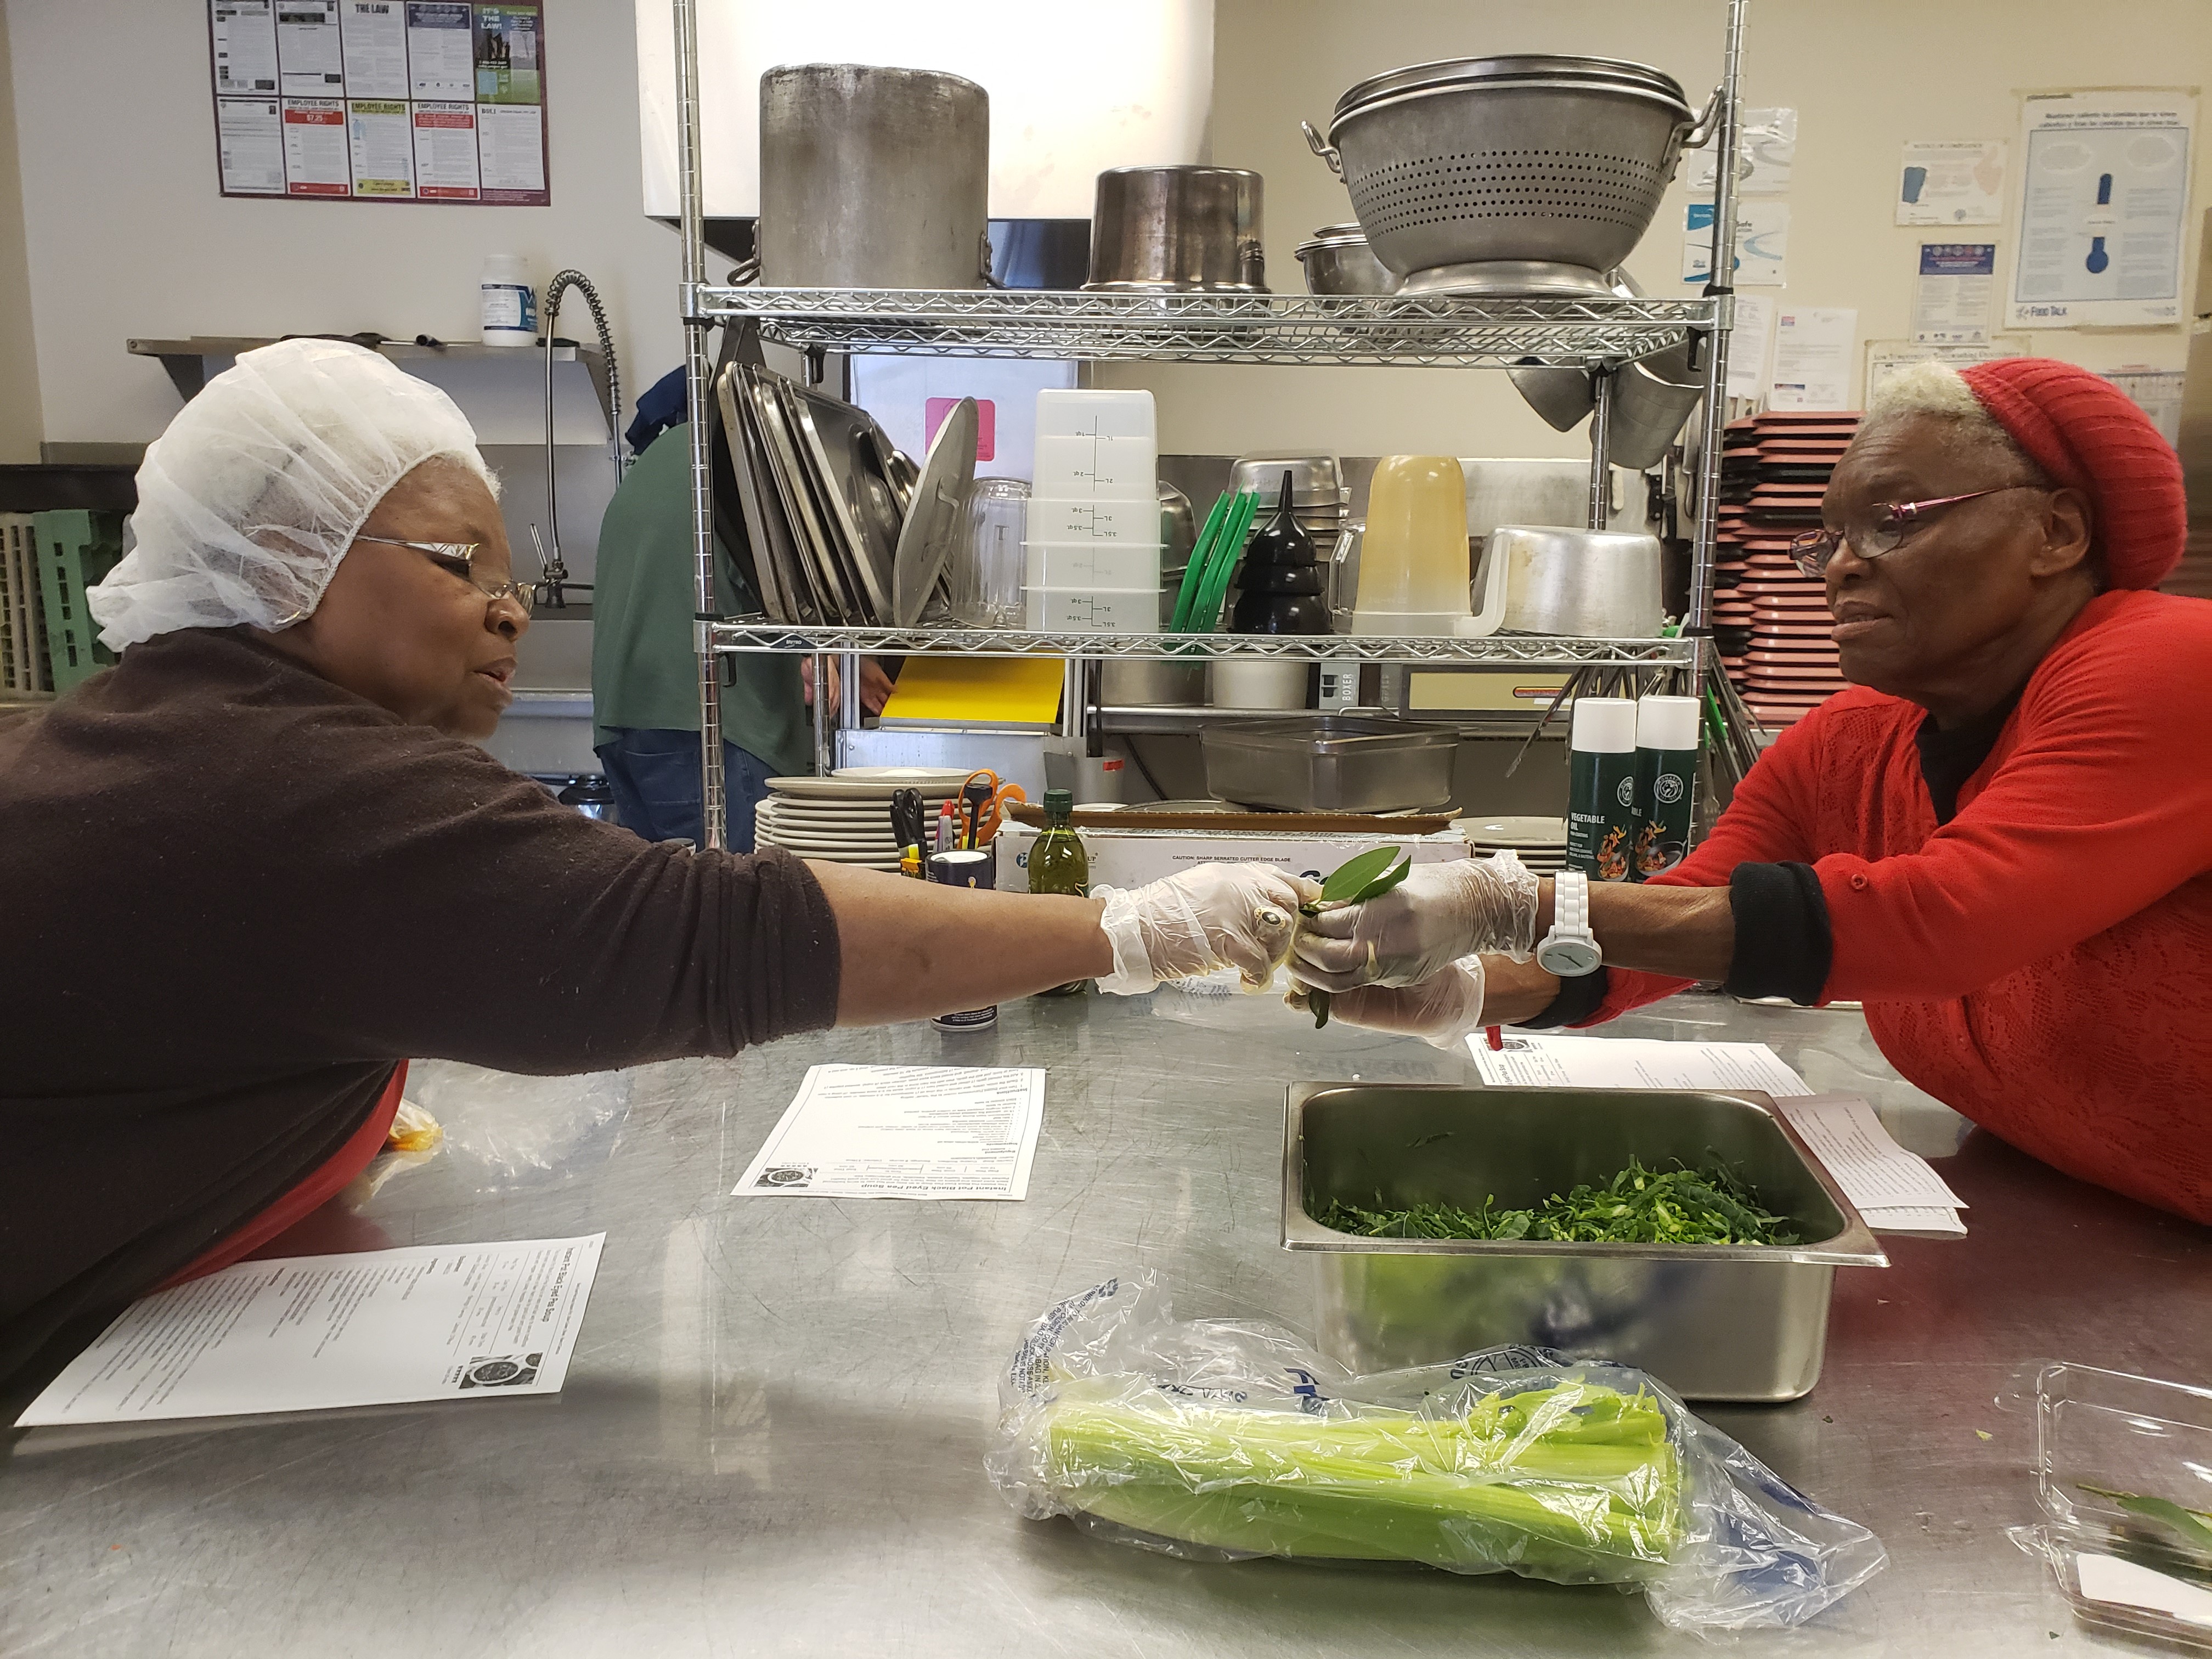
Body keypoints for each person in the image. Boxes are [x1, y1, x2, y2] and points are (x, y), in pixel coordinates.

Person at [0, 339, 1304, 1383]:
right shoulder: (277, 784)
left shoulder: (182, 727)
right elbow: (698, 940)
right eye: (465, 568)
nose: (512, 609)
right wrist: (1137, 931)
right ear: (287, 560)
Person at [1293, 357, 2212, 1226]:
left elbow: (1946, 918)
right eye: (1830, 536)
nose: (1842, 566)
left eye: (1895, 518)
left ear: (2056, 531)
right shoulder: (1854, 740)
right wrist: (1464, 988)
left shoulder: (2169, 663)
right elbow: (1677, 919)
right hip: (2066, 1213)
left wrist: (1512, 903)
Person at [590, 391, 890, 850]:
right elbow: (786, 591)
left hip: (624, 720)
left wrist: (846, 653)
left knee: (664, 907)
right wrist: (820, 650)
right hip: (716, 728)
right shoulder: (754, 467)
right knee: (739, 909)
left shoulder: (667, 459)